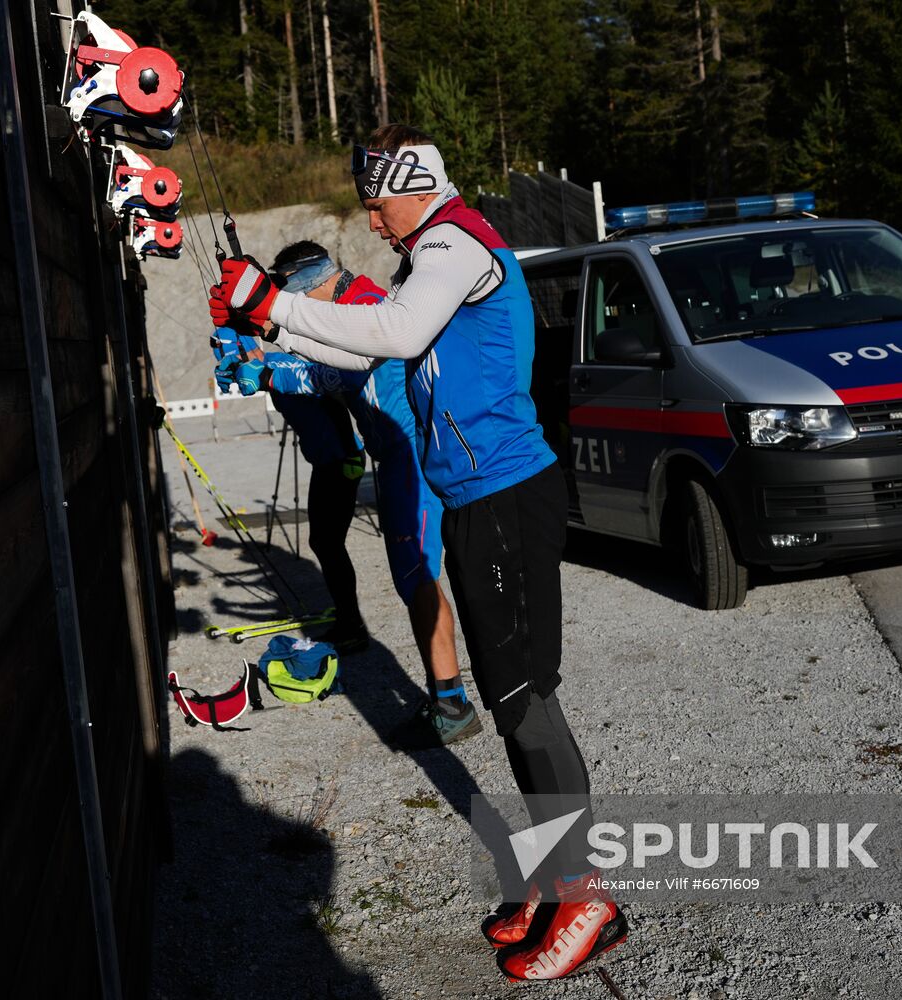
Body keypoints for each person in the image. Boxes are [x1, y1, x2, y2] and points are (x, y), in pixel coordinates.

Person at [209, 126, 628, 981]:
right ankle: (555, 883)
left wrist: (277, 303)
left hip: (505, 499)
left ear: (414, 184)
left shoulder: (450, 241)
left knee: (524, 702)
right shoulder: (430, 257)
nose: (368, 211)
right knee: (517, 705)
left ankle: (587, 895)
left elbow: (395, 335)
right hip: (484, 502)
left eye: (376, 193)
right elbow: (369, 345)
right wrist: (274, 333)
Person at [229, 240, 482, 747]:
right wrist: (265, 354)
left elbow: (343, 368)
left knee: (419, 574)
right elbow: (327, 373)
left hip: (409, 454)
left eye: (292, 297)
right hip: (390, 458)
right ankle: (444, 695)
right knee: (412, 577)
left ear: (308, 281)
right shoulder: (347, 306)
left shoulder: (364, 306)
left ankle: (452, 703)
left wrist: (274, 368)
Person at [212, 311, 368, 652]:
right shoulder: (263, 366)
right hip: (327, 462)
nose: (238, 362)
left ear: (252, 347)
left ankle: (352, 625)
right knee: (323, 543)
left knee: (327, 544)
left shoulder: (279, 363)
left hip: (342, 461)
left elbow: (317, 387)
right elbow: (248, 375)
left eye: (240, 354)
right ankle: (348, 618)